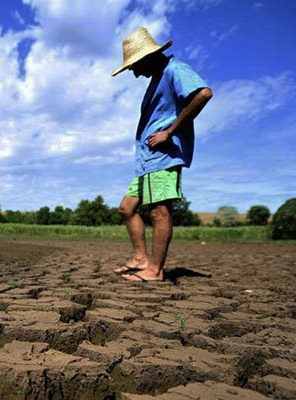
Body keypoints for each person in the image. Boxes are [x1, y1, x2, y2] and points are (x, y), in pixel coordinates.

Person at [110, 27, 213, 282]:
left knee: (159, 211)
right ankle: (140, 259)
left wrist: (170, 131)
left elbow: (203, 93)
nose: (133, 73)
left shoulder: (174, 69)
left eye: (134, 66)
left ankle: (154, 271)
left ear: (147, 56)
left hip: (163, 156)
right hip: (146, 159)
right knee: (126, 208)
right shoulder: (156, 78)